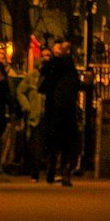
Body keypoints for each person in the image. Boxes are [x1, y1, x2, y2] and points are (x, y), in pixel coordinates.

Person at [37, 42, 83, 186]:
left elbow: (43, 84)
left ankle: (52, 169)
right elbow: (76, 85)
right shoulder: (70, 69)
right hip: (68, 109)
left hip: (54, 108)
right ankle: (64, 171)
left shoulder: (52, 66)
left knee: (54, 141)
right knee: (68, 142)